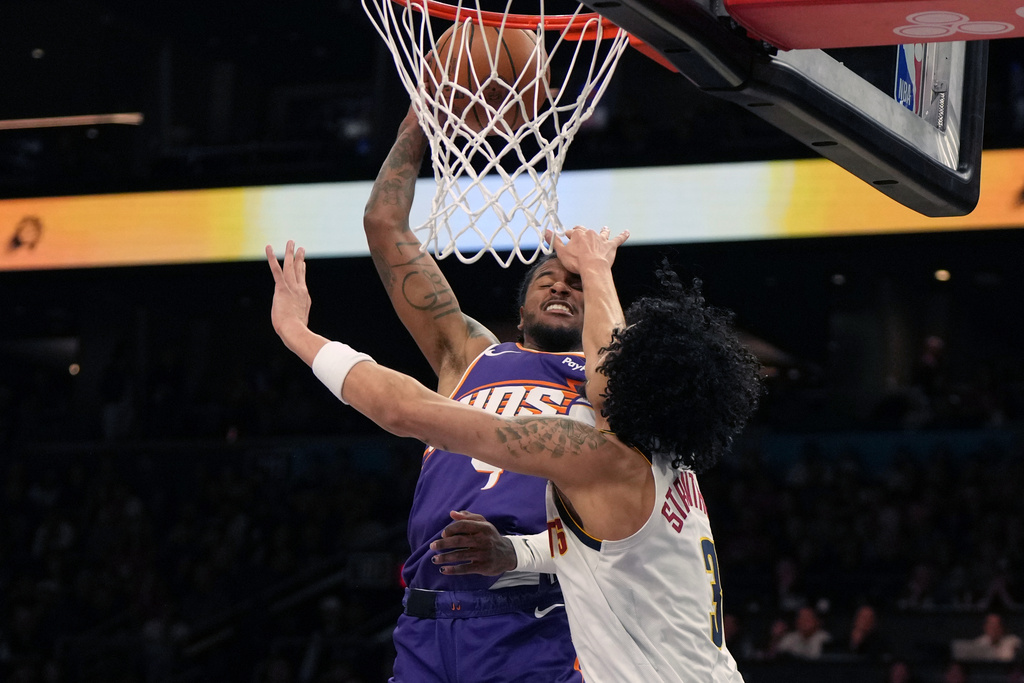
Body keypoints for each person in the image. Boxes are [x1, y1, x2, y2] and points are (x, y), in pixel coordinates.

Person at [266, 228, 763, 682]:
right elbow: (597, 553)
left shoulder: (598, 459)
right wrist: (515, 553)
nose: (601, 357)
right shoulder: (673, 469)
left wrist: (297, 333)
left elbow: (406, 410)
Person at [360, 106, 626, 681]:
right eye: (547, 279)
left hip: (542, 617)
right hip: (428, 623)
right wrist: (416, 123)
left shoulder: (612, 383)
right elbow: (385, 228)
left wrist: (600, 277)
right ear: (521, 306)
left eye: (577, 283)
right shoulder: (471, 354)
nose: (560, 283)